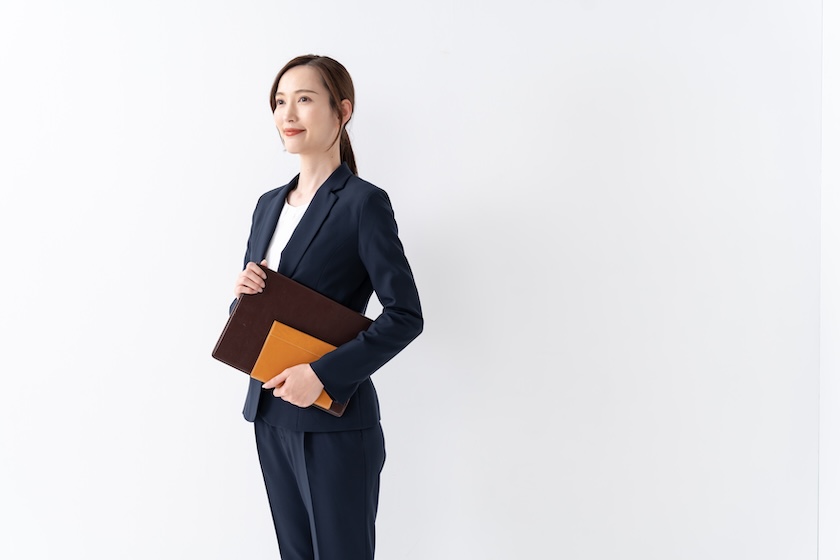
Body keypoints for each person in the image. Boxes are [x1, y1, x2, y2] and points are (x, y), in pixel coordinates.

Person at [231, 54, 423, 560]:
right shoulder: (268, 205)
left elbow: (405, 316)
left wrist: (321, 374)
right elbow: (259, 313)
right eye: (279, 102)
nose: (287, 113)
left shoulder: (363, 203)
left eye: (304, 99)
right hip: (270, 413)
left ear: (343, 111)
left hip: (333, 422)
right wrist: (243, 295)